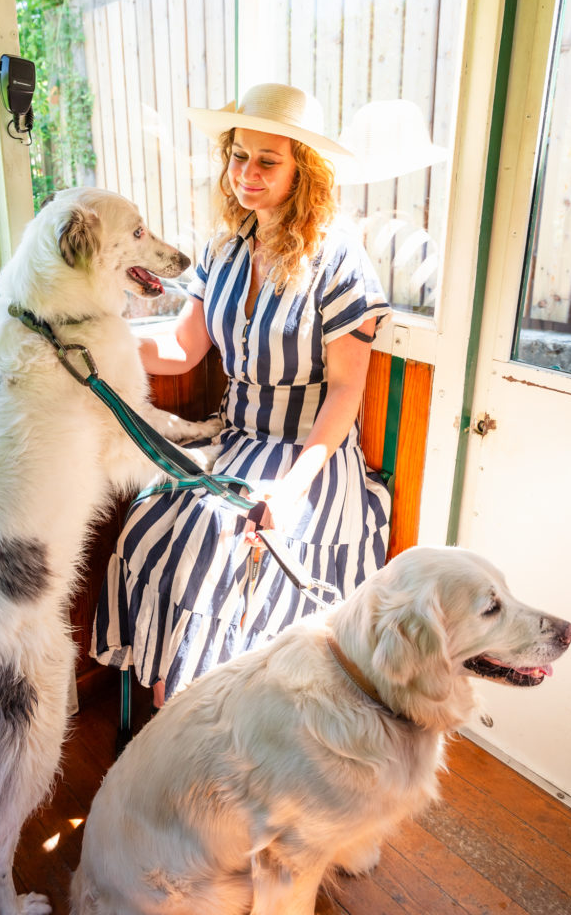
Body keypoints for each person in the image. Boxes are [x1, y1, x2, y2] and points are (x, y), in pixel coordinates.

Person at [91, 83, 392, 708]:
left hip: (309, 455)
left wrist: (290, 490)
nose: (247, 174)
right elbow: (183, 350)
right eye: (238, 156)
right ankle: (176, 708)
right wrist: (95, 338)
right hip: (235, 438)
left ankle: (220, 720)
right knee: (150, 517)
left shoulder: (339, 259)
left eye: (267, 161)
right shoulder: (224, 249)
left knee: (224, 539)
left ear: (303, 171)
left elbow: (345, 392)